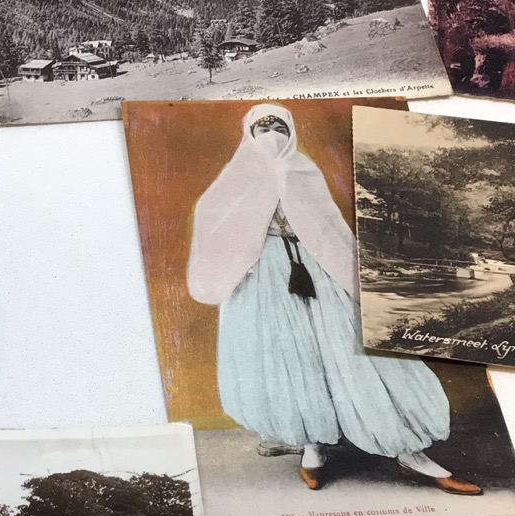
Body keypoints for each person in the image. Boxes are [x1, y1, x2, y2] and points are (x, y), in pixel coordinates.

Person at [188, 104, 481, 496]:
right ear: (249, 135)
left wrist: (350, 275)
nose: (271, 132)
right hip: (264, 277)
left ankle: (410, 450)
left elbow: (328, 226)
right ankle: (313, 447)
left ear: (290, 131)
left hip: (317, 266)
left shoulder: (304, 171)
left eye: (278, 124)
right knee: (292, 357)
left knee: (353, 351)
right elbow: (216, 224)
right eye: (262, 126)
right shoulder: (236, 178)